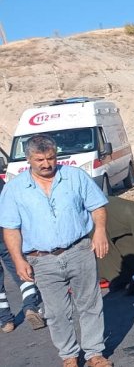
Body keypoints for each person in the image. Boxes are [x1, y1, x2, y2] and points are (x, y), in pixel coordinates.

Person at [0, 135, 113, 367]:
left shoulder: (75, 176)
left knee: (90, 304)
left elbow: (97, 206)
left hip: (79, 249)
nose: (46, 164)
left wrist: (100, 231)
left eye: (51, 158)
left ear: (56, 155)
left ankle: (94, 354)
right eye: (39, 160)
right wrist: (18, 259)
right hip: (41, 259)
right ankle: (69, 356)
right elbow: (10, 228)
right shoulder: (14, 189)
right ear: (28, 159)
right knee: (56, 312)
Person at [0, 178, 46, 333]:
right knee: (21, 271)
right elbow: (8, 203)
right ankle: (30, 306)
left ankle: (5, 320)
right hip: (5, 234)